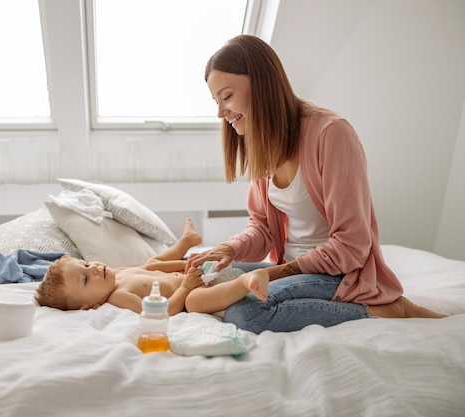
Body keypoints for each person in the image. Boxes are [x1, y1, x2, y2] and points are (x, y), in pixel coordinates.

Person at [185, 34, 445, 334]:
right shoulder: (262, 141)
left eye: (227, 97)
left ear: (261, 83)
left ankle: (382, 309)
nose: (220, 112)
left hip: (338, 273)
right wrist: (229, 249)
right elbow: (263, 229)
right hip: (294, 268)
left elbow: (352, 245)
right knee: (205, 281)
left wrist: (275, 273)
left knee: (247, 315)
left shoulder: (331, 134)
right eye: (216, 101)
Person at [34, 218, 269, 315]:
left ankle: (185, 243)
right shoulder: (120, 296)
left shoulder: (119, 273)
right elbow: (163, 312)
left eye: (85, 264)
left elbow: (154, 270)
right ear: (90, 306)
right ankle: (243, 283)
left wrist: (189, 264)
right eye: (85, 279)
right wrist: (186, 287)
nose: (93, 268)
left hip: (191, 273)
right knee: (194, 303)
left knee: (150, 263)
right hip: (196, 289)